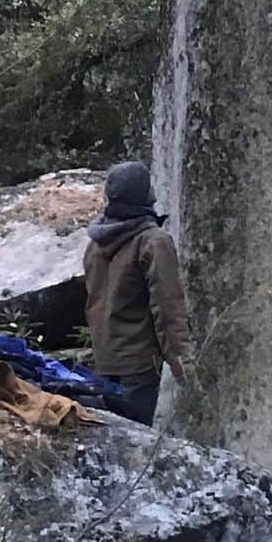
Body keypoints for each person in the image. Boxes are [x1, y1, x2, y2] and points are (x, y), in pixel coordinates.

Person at [83, 160, 190, 427]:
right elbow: (168, 308)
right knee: (137, 441)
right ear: (145, 193)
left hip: (105, 362)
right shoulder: (153, 242)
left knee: (116, 441)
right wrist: (184, 365)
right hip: (139, 366)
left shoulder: (96, 243)